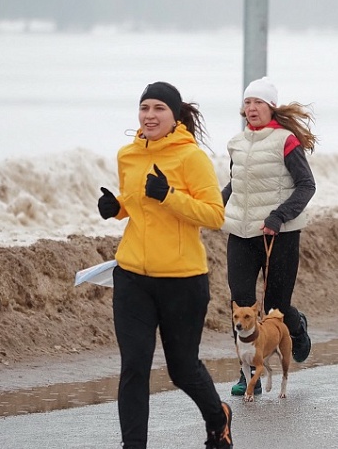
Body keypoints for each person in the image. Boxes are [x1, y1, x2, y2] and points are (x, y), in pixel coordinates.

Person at [97, 81, 233, 449]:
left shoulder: (191, 158)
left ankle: (218, 418)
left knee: (182, 369)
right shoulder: (128, 155)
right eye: (145, 108)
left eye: (159, 108)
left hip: (182, 280)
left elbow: (215, 215)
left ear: (174, 117)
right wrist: (117, 208)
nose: (150, 116)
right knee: (134, 367)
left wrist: (169, 196)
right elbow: (134, 200)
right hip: (132, 277)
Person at [220, 76, 317, 397]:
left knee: (277, 307)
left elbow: (306, 185)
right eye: (247, 102)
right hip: (241, 234)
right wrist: (212, 206)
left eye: (257, 102)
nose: (251, 108)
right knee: (241, 304)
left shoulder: (286, 141)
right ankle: (249, 375)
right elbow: (236, 186)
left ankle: (296, 326)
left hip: (280, 234)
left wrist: (278, 216)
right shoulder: (237, 142)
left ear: (271, 107)